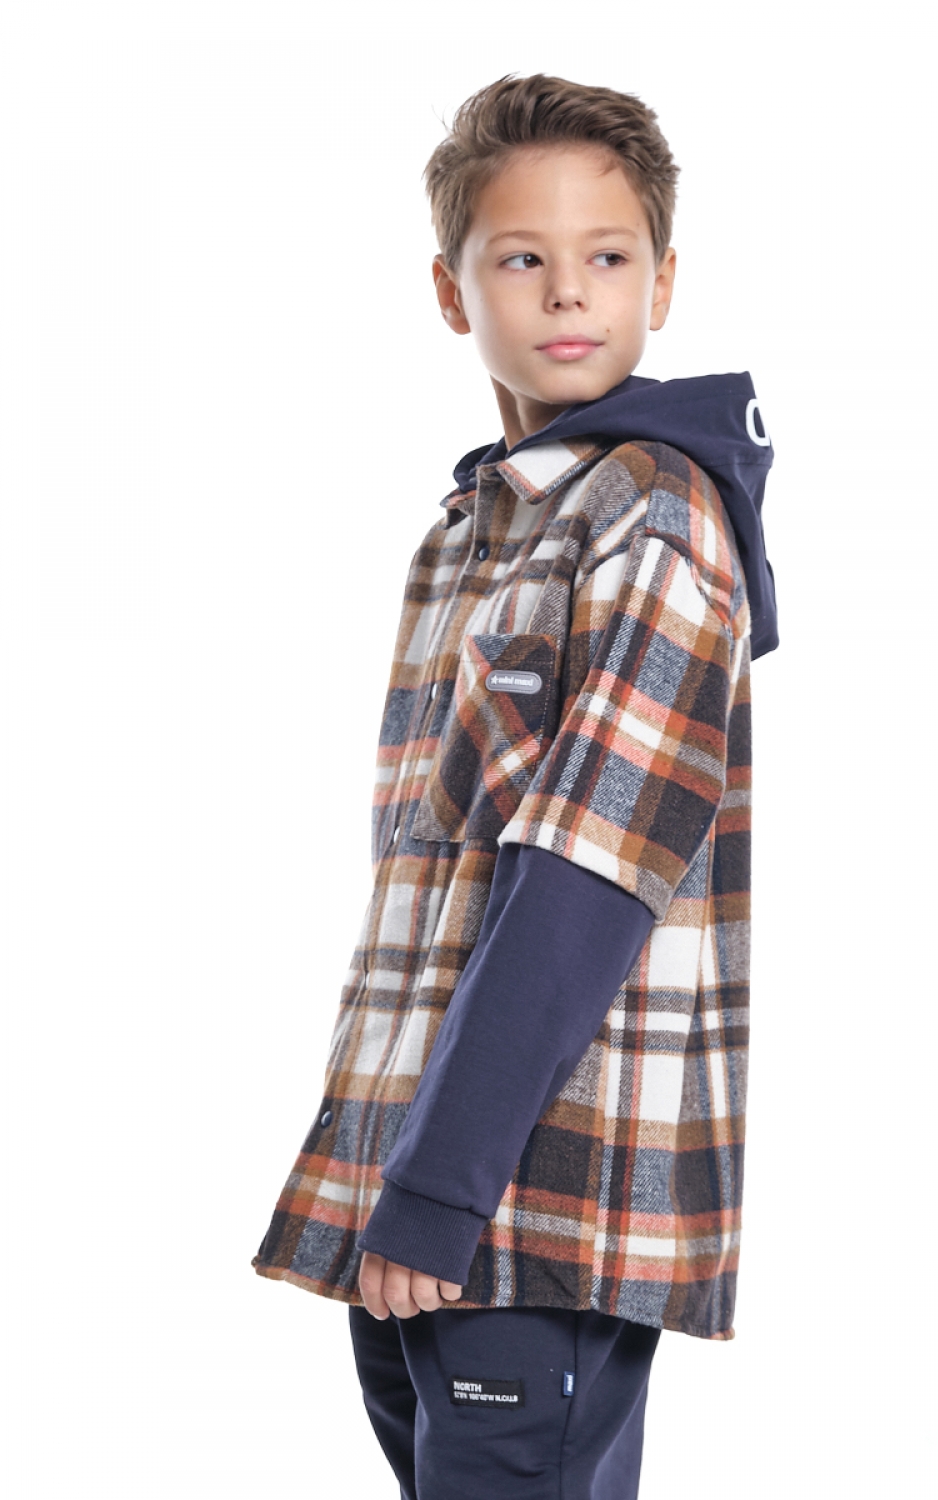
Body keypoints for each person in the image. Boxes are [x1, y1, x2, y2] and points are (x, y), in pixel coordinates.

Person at [252, 72, 779, 1500]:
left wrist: (439, 1188)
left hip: (530, 1196)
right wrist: (394, 1182)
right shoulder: (476, 525)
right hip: (416, 1186)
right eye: (521, 257)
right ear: (451, 289)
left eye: (607, 255)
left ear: (663, 280)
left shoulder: (653, 517)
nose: (568, 292)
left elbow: (587, 879)